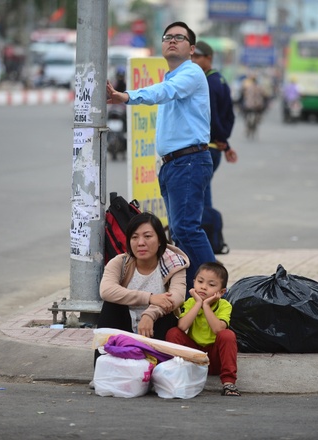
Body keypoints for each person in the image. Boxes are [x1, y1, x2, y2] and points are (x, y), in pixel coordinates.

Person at [106, 21, 215, 295]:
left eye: (179, 37)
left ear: (191, 49)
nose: (172, 40)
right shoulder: (173, 76)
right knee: (179, 232)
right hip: (173, 164)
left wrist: (126, 96)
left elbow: (162, 93)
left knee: (186, 229)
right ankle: (191, 292)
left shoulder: (190, 74)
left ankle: (213, 289)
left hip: (188, 162)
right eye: (168, 37)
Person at [96, 212, 189, 364]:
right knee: (111, 305)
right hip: (125, 328)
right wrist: (150, 297)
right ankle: (103, 367)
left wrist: (150, 314)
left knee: (168, 310)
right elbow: (106, 290)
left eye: (147, 236)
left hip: (156, 328)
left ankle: (158, 368)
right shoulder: (121, 263)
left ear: (159, 240)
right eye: (134, 237)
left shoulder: (173, 263)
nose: (140, 243)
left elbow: (177, 297)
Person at [166, 262, 240, 397]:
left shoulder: (224, 305)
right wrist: (198, 303)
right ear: (194, 282)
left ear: (222, 292)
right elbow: (182, 327)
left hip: (215, 358)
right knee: (173, 333)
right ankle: (176, 377)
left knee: (227, 335)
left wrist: (205, 305)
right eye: (200, 282)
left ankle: (229, 383)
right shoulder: (190, 302)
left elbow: (218, 329)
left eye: (211, 285)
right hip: (195, 357)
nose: (204, 287)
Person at [191, 40, 237, 210]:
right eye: (191, 56)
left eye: (197, 56)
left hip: (208, 147)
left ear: (209, 57)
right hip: (216, 146)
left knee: (200, 199)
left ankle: (209, 233)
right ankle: (212, 234)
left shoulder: (208, 83)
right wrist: (225, 143)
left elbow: (211, 116)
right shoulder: (221, 80)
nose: (193, 60)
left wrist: (219, 138)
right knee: (203, 193)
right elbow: (230, 117)